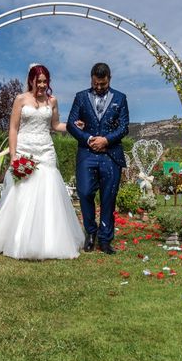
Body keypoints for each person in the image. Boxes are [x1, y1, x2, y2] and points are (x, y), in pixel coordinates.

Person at [0, 64, 84, 259]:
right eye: (38, 81)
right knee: (21, 192)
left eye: (45, 81)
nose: (41, 85)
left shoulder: (52, 100)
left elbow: (55, 125)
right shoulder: (20, 99)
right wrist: (13, 155)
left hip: (46, 150)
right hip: (25, 149)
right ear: (31, 80)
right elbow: (13, 128)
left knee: (48, 191)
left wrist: (73, 126)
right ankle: (16, 240)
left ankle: (49, 242)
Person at [66, 62, 130, 255]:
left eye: (103, 84)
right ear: (91, 79)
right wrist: (88, 138)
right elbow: (71, 123)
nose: (99, 87)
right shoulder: (80, 97)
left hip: (111, 155)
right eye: (96, 84)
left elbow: (124, 127)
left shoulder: (120, 98)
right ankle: (90, 233)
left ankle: (105, 240)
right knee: (84, 193)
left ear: (109, 78)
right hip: (87, 154)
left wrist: (106, 140)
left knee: (108, 198)